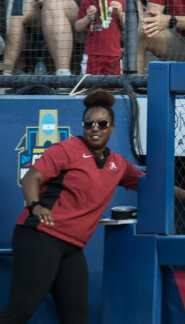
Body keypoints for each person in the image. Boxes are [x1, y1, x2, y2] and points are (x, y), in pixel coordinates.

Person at [0, 89, 141, 323]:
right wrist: (35, 205)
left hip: (72, 247)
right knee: (21, 310)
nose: (94, 128)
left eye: (101, 123)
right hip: (40, 236)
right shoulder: (66, 149)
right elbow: (30, 178)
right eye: (89, 123)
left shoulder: (119, 165)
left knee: (76, 317)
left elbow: (153, 184)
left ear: (112, 128)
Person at [72, 0, 124, 75]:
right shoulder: (87, 2)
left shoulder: (119, 2)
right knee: (89, 86)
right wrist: (87, 17)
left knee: (115, 87)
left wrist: (120, 12)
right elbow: (78, 27)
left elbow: (127, 27)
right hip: (92, 54)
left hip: (114, 53)